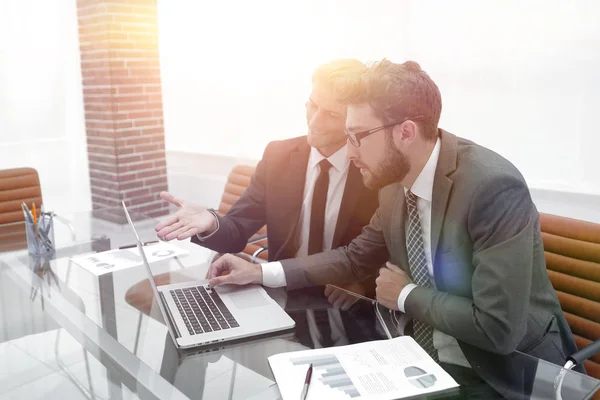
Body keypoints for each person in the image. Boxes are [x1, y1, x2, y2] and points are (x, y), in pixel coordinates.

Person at [204, 59, 580, 398]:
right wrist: (259, 272)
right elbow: (354, 259)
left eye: (357, 136)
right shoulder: (394, 183)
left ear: (405, 132)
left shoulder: (491, 188)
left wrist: (405, 295)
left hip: (503, 373)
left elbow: (498, 329)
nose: (349, 153)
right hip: (418, 357)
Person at [155, 58, 381, 348]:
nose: (314, 121)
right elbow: (237, 228)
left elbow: (385, 245)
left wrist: (365, 282)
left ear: (354, 118)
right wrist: (211, 221)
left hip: (345, 304)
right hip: (284, 294)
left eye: (331, 114)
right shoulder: (278, 156)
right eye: (312, 105)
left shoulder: (373, 168)